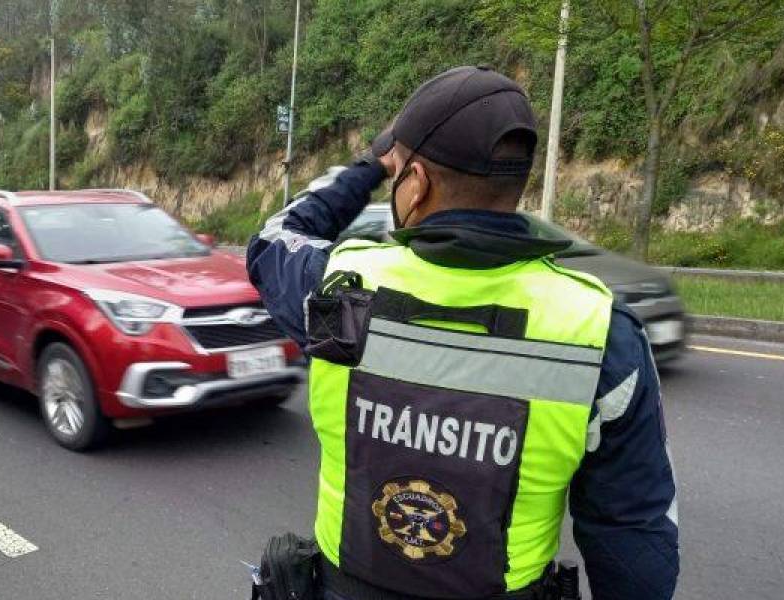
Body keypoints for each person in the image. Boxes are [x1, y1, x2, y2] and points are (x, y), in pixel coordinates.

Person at [246, 66, 678, 600]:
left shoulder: (338, 288)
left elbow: (275, 239)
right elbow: (634, 541)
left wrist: (371, 165)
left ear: (417, 182)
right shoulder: (597, 331)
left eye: (402, 172)